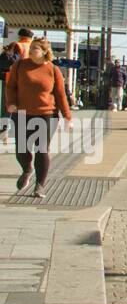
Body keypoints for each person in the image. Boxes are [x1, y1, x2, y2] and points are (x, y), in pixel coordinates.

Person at [5, 37, 73, 200]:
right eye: (31, 47)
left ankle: (39, 185)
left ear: (44, 51)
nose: (31, 50)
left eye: (35, 48)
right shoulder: (19, 65)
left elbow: (60, 95)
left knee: (42, 149)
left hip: (47, 114)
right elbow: (10, 86)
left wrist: (67, 117)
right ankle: (27, 169)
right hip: (22, 113)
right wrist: (11, 103)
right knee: (21, 149)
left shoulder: (53, 70)